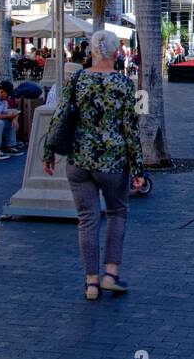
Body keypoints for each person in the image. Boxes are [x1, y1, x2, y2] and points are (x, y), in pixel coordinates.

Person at [43, 29, 145, 301]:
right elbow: (130, 130)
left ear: (92, 52)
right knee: (116, 213)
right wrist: (138, 170)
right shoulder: (124, 84)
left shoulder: (77, 80)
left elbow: (60, 116)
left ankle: (90, 282)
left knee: (87, 219)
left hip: (79, 160)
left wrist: (48, 151)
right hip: (112, 161)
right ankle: (110, 274)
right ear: (115, 53)